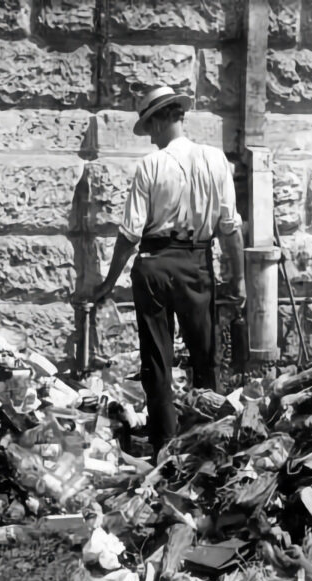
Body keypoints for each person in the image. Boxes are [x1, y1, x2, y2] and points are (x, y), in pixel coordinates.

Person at [88, 85, 246, 459]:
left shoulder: (151, 165)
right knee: (205, 356)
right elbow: (230, 229)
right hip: (197, 264)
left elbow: (129, 234)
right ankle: (208, 438)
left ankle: (166, 445)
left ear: (161, 120)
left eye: (150, 126)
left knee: (157, 360)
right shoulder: (215, 160)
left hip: (155, 264)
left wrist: (108, 283)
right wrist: (237, 279)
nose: (151, 135)